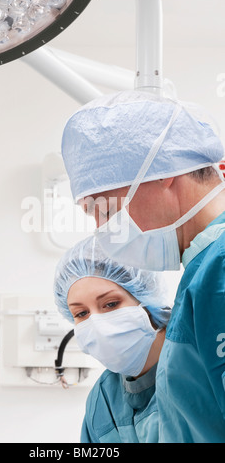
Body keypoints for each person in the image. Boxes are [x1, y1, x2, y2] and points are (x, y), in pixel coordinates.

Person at [61, 91, 225, 443]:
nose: (103, 231)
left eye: (104, 210)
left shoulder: (218, 270)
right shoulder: (201, 273)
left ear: (161, 173)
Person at [54, 235, 171, 443]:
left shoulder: (198, 367)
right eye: (81, 314)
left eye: (111, 304)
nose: (97, 324)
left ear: (145, 299)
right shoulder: (103, 400)